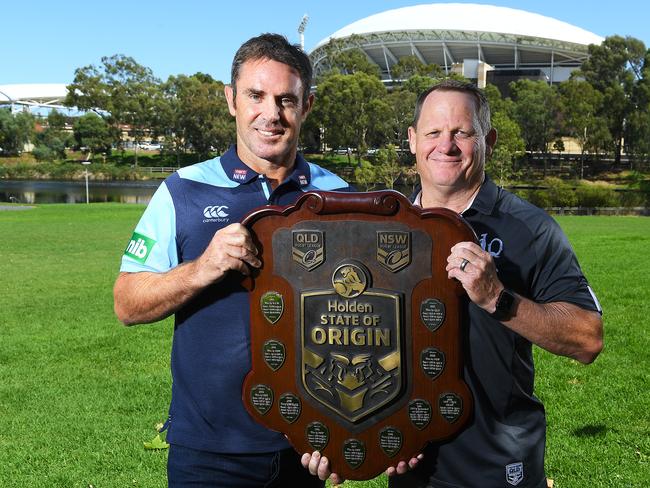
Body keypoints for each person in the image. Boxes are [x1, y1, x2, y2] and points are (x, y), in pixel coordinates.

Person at [113, 33, 352, 487]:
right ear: (231, 100)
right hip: (208, 452)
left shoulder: (340, 197)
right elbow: (127, 304)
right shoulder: (182, 190)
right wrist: (203, 268)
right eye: (256, 96)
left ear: (307, 106)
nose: (271, 113)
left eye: (286, 99)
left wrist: (347, 426)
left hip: (306, 445)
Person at [385, 80, 604, 488]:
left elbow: (588, 338)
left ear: (488, 140)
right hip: (409, 460)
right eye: (433, 132)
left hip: (496, 467)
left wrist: (497, 299)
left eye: (461, 133)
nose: (445, 145)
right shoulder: (385, 229)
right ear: (413, 140)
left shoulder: (529, 228)